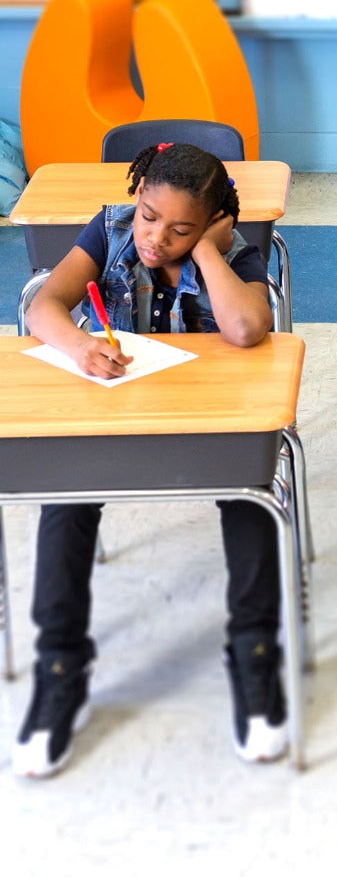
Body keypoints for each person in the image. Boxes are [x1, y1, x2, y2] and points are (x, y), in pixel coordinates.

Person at [12, 143, 286, 778]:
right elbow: (42, 305)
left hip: (206, 418)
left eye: (182, 228)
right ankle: (60, 665)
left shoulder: (236, 251)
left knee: (250, 488)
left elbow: (246, 329)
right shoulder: (109, 230)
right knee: (67, 492)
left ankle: (254, 654)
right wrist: (80, 346)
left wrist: (212, 250)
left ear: (215, 222)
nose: (155, 238)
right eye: (147, 216)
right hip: (117, 408)